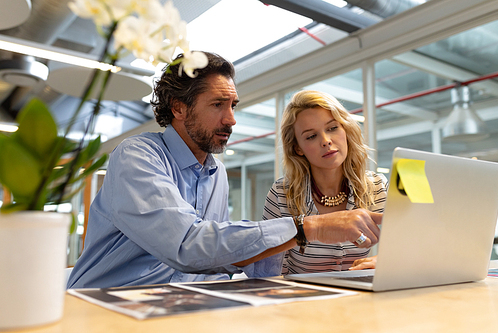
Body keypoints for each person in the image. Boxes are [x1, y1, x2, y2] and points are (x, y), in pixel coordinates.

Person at [67, 52, 383, 289]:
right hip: (107, 302)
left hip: (175, 302)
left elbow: (216, 258)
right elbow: (188, 246)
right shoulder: (138, 156)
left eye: (233, 105)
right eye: (218, 105)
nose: (231, 119)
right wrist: (307, 228)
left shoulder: (215, 172)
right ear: (178, 107)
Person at [262, 90, 388, 275]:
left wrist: (384, 262)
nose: (326, 141)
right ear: (298, 148)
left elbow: (413, 246)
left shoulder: (377, 186)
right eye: (311, 136)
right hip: (302, 299)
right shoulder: (282, 193)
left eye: (332, 128)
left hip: (360, 297)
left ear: (345, 129)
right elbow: (270, 269)